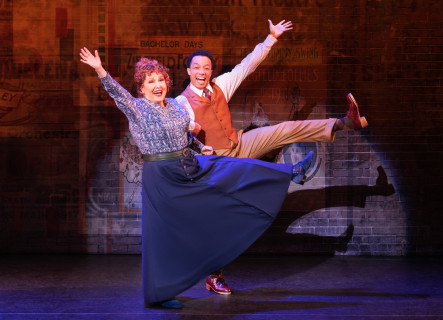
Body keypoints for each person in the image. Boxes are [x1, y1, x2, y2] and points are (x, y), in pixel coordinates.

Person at [80, 48, 314, 309]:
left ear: (167, 83)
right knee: (162, 237)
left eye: (161, 80)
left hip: (188, 164)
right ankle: (159, 294)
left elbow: (186, 136)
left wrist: (198, 147)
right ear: (141, 88)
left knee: (233, 168)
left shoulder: (177, 109)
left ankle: (291, 172)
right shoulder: (137, 108)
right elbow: (116, 93)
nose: (157, 85)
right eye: (151, 82)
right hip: (162, 175)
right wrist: (100, 69)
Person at [177, 19, 368, 295]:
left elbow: (247, 65)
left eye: (206, 68)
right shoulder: (182, 104)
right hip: (214, 161)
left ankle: (345, 123)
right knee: (220, 219)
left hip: (238, 143)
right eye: (197, 68)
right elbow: (180, 134)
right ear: (189, 71)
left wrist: (271, 38)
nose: (202, 72)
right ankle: (213, 274)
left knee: (283, 130)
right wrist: (197, 146)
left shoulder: (220, 86)